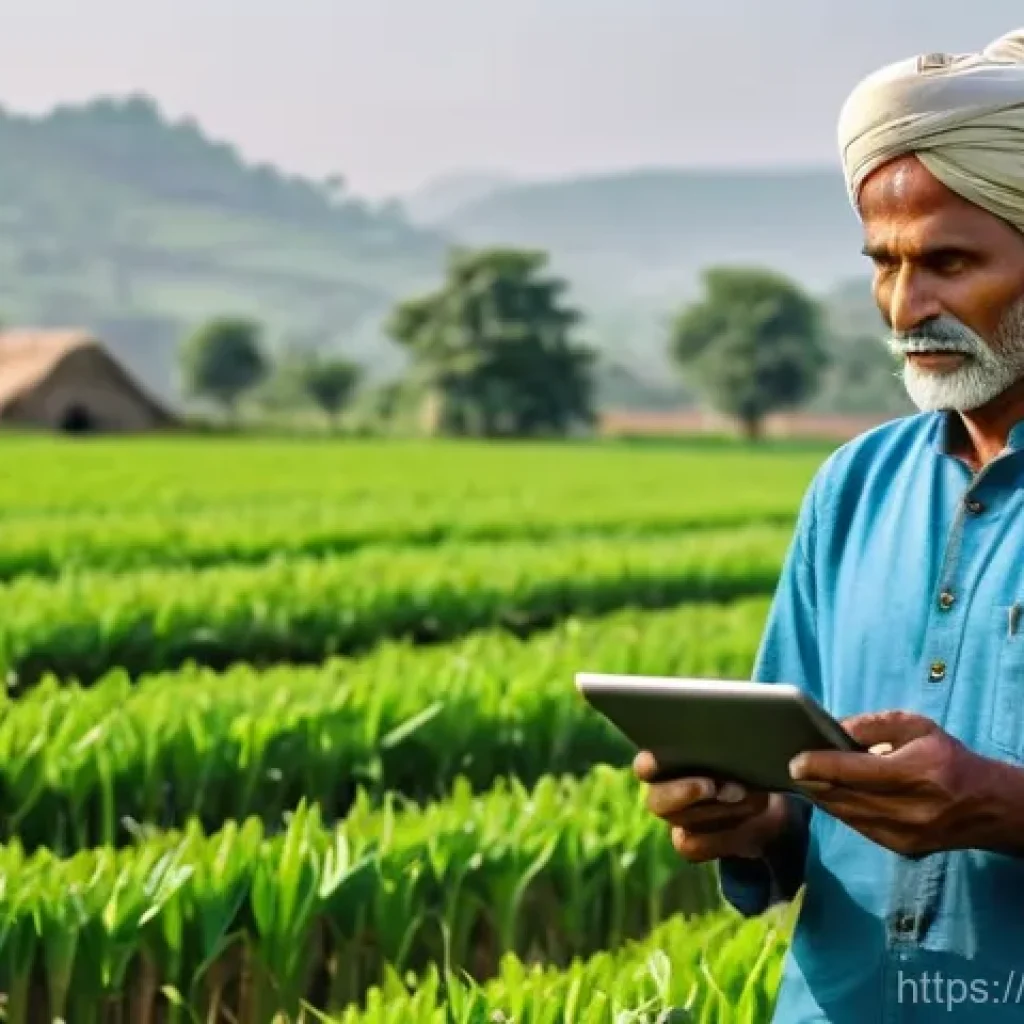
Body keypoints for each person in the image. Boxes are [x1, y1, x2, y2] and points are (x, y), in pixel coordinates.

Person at [635, 28, 1024, 1023]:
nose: (904, 304)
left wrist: (1004, 807)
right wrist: (750, 817)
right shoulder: (853, 486)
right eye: (882, 263)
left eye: (947, 262)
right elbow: (799, 811)